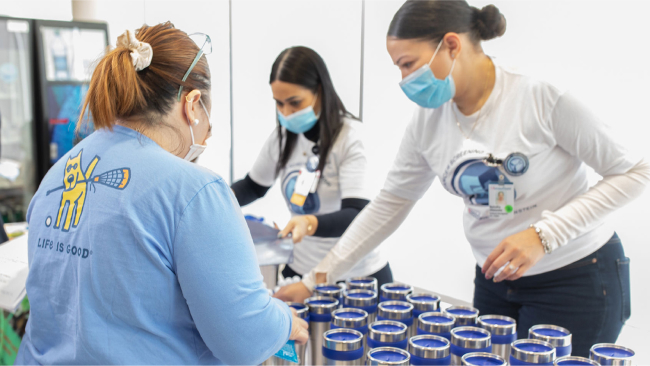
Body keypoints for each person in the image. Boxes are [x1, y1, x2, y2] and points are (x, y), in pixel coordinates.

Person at [274, 0, 650, 357]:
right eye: (398, 68)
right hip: (494, 282)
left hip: (574, 279)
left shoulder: (539, 97)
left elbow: (635, 171)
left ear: (451, 45)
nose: (404, 79)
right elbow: (387, 207)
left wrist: (544, 235)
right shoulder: (429, 122)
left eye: (408, 64)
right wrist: (314, 280)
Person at [16, 22, 307, 365]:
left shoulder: (57, 175)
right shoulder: (193, 190)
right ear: (193, 104)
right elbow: (244, 339)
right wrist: (285, 321)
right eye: (208, 123)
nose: (206, 136)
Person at [231, 46, 393, 285]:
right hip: (301, 271)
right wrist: (215, 200)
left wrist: (308, 223)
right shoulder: (283, 138)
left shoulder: (350, 138)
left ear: (319, 91)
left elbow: (358, 214)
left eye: (294, 102)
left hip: (356, 277)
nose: (286, 112)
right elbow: (253, 187)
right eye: (279, 103)